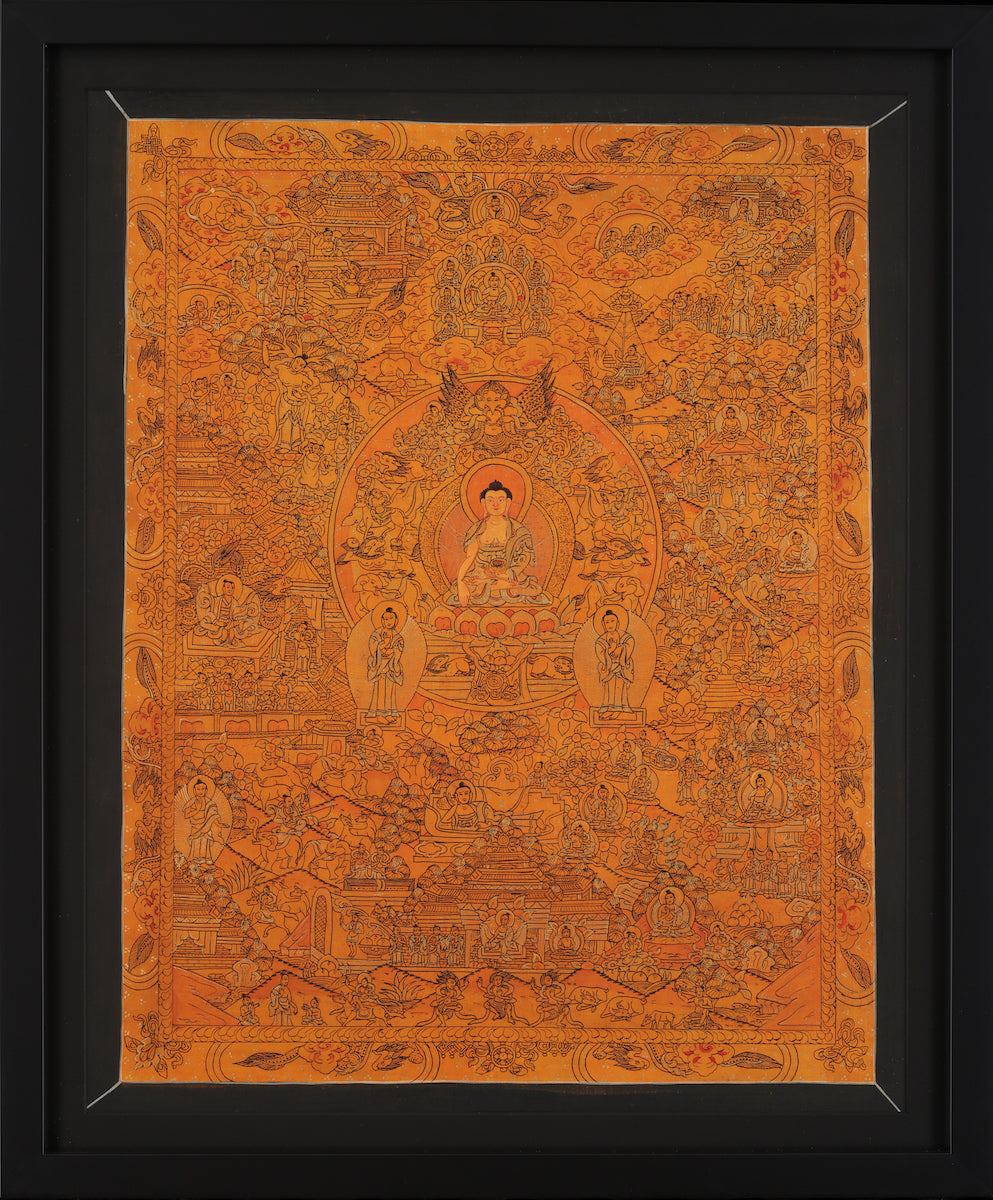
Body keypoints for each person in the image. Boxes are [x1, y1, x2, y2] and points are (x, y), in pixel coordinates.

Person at [453, 480, 548, 606]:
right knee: (459, 587)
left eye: (501, 500)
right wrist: (461, 583)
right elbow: (470, 558)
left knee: (533, 588)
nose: (495, 504)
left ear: (508, 502)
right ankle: (498, 586)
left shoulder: (518, 530)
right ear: (484, 503)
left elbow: (524, 558)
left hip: (509, 575)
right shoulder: (476, 530)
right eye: (490, 500)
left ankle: (495, 586)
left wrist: (506, 575)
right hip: (481, 575)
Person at [367, 606, 404, 719]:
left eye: (391, 618)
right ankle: (376, 713)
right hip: (379, 666)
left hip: (390, 667)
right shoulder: (376, 634)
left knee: (389, 690)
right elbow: (373, 648)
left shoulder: (398, 637)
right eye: (386, 619)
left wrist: (392, 653)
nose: (388, 621)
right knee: (378, 690)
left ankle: (389, 712)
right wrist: (382, 645)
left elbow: (398, 650)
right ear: (382, 620)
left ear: (396, 620)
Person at [596, 610, 635, 714]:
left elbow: (630, 644)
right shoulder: (601, 640)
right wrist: (610, 650)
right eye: (607, 622)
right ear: (603, 624)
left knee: (621, 687)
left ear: (617, 623)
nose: (610, 624)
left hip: (621, 667)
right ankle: (607, 706)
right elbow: (600, 653)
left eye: (612, 621)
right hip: (609, 668)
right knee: (609, 687)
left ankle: (623, 705)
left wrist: (622, 648)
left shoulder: (625, 637)